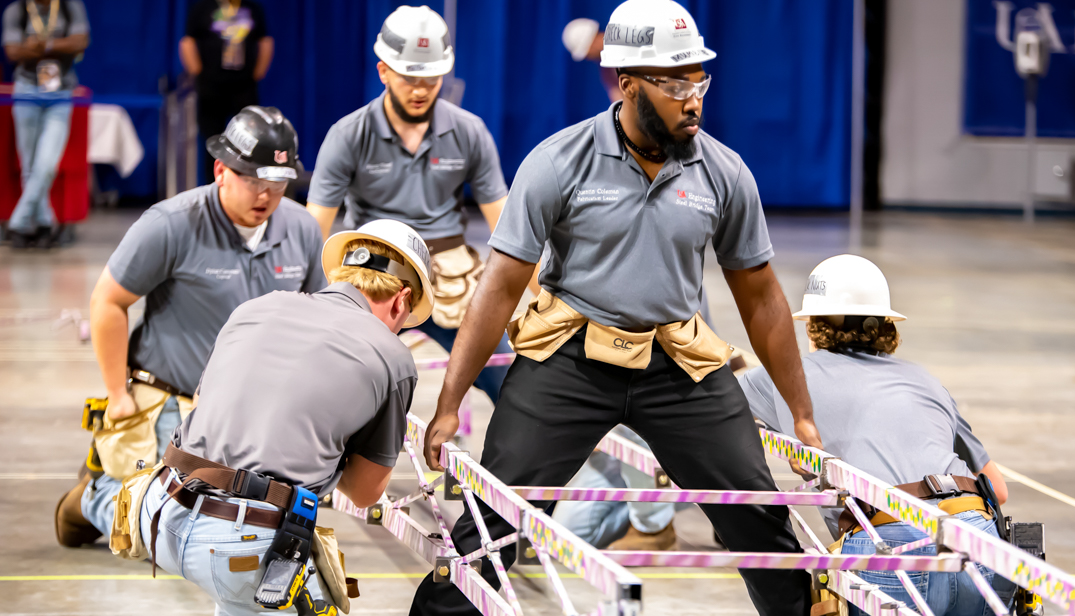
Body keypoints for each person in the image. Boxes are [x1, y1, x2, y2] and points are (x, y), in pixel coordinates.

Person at [410, 1, 821, 614]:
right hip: (569, 360)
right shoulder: (559, 162)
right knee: (491, 525)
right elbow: (497, 288)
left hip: (679, 365)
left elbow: (761, 298)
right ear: (627, 83)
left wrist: (801, 413)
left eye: (699, 79)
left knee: (759, 517)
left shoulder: (724, 172)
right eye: (675, 82)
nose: (694, 97)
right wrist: (449, 405)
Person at [73, 220, 431, 615]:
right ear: (402, 299)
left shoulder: (256, 306)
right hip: (240, 547)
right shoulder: (393, 358)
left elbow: (201, 402)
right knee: (285, 593)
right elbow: (365, 493)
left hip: (159, 514)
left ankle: (96, 495)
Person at [54, 106, 326, 548]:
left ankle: (119, 487)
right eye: (253, 181)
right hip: (171, 399)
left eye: (277, 184)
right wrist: (118, 395)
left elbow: (316, 318)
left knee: (249, 536)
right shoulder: (171, 223)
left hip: (253, 411)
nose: (266, 196)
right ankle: (95, 495)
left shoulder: (301, 229)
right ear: (221, 170)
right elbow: (108, 301)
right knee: (164, 538)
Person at [738, 254, 1013, 616]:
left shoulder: (785, 377)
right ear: (886, 326)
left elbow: (711, 408)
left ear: (811, 326)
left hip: (889, 543)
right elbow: (999, 490)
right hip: (974, 538)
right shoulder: (928, 381)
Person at [307, 5, 520, 405]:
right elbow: (313, 227)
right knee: (331, 383)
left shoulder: (469, 131)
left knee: (508, 378)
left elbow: (510, 228)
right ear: (383, 71)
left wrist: (545, 294)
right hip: (370, 271)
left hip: (450, 273)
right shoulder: (349, 134)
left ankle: (508, 467)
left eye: (431, 78)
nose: (420, 89)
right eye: (409, 77)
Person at [1, 0, 89, 248]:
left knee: (47, 163)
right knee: (29, 163)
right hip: (26, 89)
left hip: (60, 92)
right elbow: (13, 52)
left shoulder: (70, 7)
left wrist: (43, 44)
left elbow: (80, 42)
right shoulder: (15, 10)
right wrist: (61, 46)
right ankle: (43, 224)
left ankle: (18, 222)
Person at [180, 0, 273, 184]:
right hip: (211, 86)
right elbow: (188, 41)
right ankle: (214, 187)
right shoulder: (202, 8)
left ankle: (247, 184)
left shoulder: (252, 8)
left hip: (244, 86)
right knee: (212, 140)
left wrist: (257, 73)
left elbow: (265, 41)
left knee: (250, 140)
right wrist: (198, 73)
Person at [561, 17, 620, 103]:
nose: (588, 58)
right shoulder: (607, 71)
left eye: (586, 53)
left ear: (593, 40)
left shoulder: (629, 42)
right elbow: (619, 102)